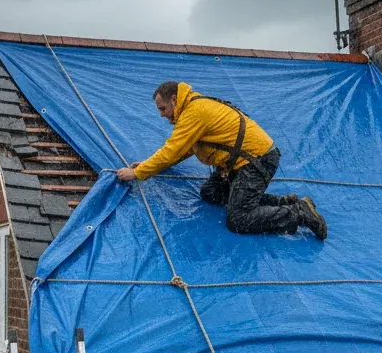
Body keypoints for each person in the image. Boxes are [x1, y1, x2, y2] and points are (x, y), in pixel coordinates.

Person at [116, 81, 328, 240]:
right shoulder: (191, 108)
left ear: (173, 99)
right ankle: (286, 202)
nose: (162, 115)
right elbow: (184, 150)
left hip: (256, 161)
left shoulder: (194, 112)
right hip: (240, 162)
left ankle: (299, 213)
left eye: (162, 109)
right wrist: (145, 166)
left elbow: (172, 150)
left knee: (238, 219)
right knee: (212, 193)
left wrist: (137, 174)